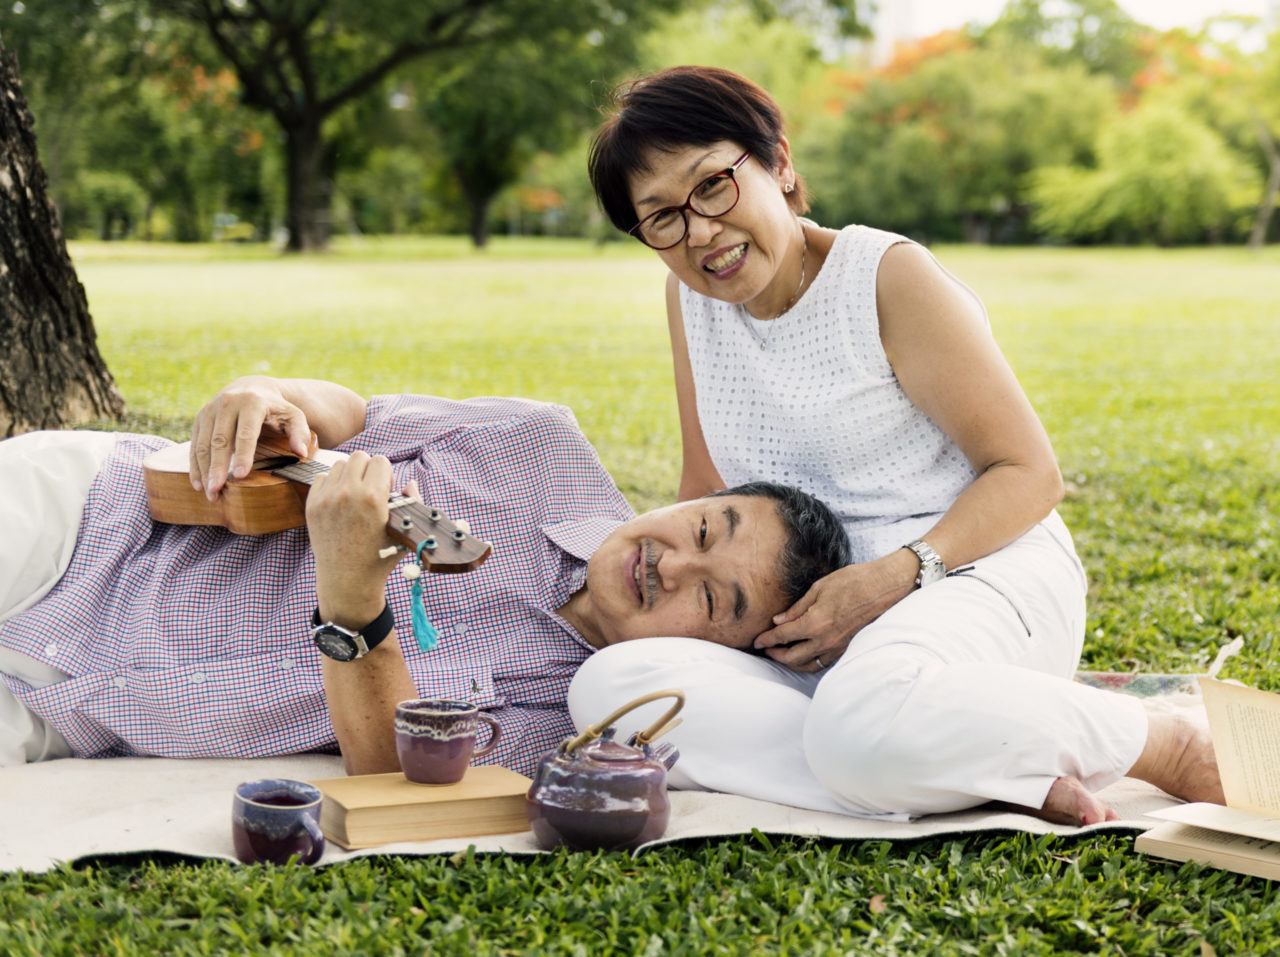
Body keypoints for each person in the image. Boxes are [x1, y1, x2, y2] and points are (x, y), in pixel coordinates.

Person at [572, 65, 1223, 824]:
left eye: (713, 185)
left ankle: (1158, 741)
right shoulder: (689, 298)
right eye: (663, 219)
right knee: (615, 689)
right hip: (822, 629)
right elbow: (704, 484)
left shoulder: (885, 276)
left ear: (778, 162)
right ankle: (984, 763)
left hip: (975, 572)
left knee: (861, 717)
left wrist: (893, 577)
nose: (701, 232)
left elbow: (1030, 474)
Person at [0, 375, 851, 775]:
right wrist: (274, 399)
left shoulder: (563, 724)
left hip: (80, 714)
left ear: (724, 656)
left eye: (711, 597)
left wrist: (353, 593)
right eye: (704, 525)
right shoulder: (539, 443)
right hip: (92, 524)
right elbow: (360, 413)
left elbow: (388, 763)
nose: (672, 560)